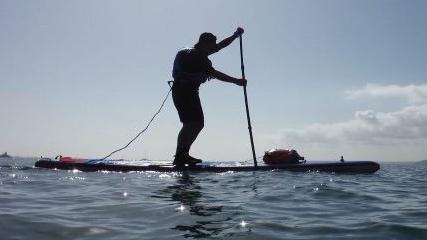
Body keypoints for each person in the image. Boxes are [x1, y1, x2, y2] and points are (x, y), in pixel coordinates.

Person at [171, 27, 247, 167]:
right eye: (212, 45)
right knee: (193, 123)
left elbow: (220, 46)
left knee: (193, 123)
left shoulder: (192, 51)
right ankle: (181, 156)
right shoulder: (197, 57)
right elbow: (215, 74)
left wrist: (235, 36)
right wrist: (237, 81)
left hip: (184, 91)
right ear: (205, 43)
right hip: (185, 91)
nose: (214, 48)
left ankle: (182, 155)